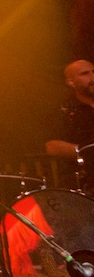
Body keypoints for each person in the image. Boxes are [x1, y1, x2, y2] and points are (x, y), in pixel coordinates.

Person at [44, 59, 94, 188]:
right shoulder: (65, 111)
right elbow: (52, 146)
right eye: (85, 74)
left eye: (93, 72)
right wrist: (85, 150)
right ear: (71, 82)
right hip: (86, 178)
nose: (92, 77)